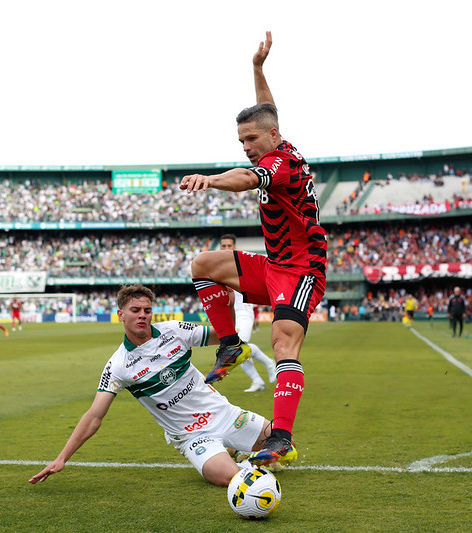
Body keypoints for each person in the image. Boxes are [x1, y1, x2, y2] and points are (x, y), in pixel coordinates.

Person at [179, 32, 326, 466]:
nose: (246, 147)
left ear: (272, 138)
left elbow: (245, 179)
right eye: (241, 141)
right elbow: (269, 113)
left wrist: (211, 179)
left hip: (302, 271)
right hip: (274, 263)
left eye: (251, 140)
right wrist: (258, 69)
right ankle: (231, 344)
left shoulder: (280, 165)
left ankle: (280, 436)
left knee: (284, 343)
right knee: (202, 264)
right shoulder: (278, 139)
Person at [28, 285, 284, 488]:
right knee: (231, 478)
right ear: (121, 315)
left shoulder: (175, 331)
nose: (142, 315)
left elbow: (225, 335)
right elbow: (94, 417)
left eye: (147, 310)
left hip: (225, 414)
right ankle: (231, 455)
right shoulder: (118, 365)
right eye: (135, 310)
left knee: (284, 445)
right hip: (192, 436)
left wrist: (227, 305)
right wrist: (62, 458)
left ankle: (237, 448)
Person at [219, 234, 278, 392]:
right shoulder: (217, 266)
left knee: (237, 348)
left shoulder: (241, 263)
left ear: (234, 247)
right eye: (223, 246)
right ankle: (258, 380)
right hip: (230, 314)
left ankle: (268, 363)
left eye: (229, 246)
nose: (226, 249)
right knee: (237, 350)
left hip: (244, 310)